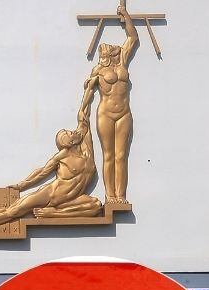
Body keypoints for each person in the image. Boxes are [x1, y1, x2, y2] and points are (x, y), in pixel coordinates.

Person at [0, 84, 101, 235]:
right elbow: (42, 172)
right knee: (13, 211)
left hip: (68, 202)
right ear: (70, 143)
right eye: (69, 133)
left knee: (95, 205)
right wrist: (21, 186)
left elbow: (84, 116)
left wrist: (89, 88)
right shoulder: (62, 156)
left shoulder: (87, 152)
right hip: (50, 194)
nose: (73, 131)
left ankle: (52, 213)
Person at [86, 0, 138, 206]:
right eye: (109, 52)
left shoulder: (123, 61)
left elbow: (133, 37)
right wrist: (82, 113)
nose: (112, 52)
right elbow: (88, 92)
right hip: (105, 114)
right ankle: (110, 196)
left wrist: (125, 15)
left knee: (121, 156)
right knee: (108, 155)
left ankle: (121, 195)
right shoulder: (98, 70)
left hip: (124, 113)